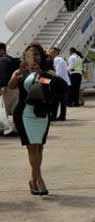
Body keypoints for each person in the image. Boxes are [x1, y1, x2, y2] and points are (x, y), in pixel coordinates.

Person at [8, 44, 64, 196]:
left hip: (41, 113)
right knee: (32, 147)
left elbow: (52, 85)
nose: (34, 58)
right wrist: (15, 76)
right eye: (30, 55)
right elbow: (11, 86)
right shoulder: (21, 72)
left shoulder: (46, 72)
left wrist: (41, 75)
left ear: (41, 56)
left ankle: (33, 180)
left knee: (39, 147)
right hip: (24, 113)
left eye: (37, 55)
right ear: (25, 57)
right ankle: (39, 179)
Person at [0, 42, 21, 135]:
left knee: (4, 109)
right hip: (15, 88)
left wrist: (2, 85)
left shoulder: (3, 60)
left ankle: (3, 128)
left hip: (7, 89)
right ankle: (17, 128)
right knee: (14, 109)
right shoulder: (12, 59)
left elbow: (3, 73)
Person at [47, 47, 70, 121]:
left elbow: (57, 73)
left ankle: (55, 116)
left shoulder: (57, 60)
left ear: (56, 52)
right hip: (64, 82)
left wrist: (48, 80)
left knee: (56, 100)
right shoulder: (60, 59)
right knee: (62, 101)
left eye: (51, 51)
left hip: (60, 83)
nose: (50, 53)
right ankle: (61, 116)